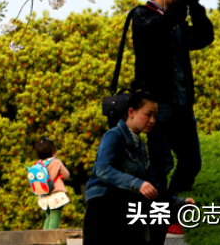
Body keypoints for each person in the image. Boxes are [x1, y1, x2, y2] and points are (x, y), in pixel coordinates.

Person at [132, 0, 213, 238]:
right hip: (158, 104)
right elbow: (159, 28)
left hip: (182, 103)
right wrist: (182, 2)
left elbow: (204, 37)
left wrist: (195, 5)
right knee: (160, 166)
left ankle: (172, 206)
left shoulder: (176, 21)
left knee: (191, 162)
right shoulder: (142, 16)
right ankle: (160, 222)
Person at [83, 84, 195, 245]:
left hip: (126, 203)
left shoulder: (140, 145)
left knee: (161, 205)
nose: (152, 120)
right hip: (104, 202)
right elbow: (103, 170)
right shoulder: (114, 136)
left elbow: (151, 184)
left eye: (155, 116)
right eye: (148, 114)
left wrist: (179, 202)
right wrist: (137, 184)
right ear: (131, 112)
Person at [33, 137, 70, 230]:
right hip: (55, 195)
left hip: (44, 196)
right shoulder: (56, 162)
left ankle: (44, 237)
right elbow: (66, 175)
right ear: (53, 151)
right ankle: (52, 237)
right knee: (55, 217)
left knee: (48, 217)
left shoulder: (38, 164)